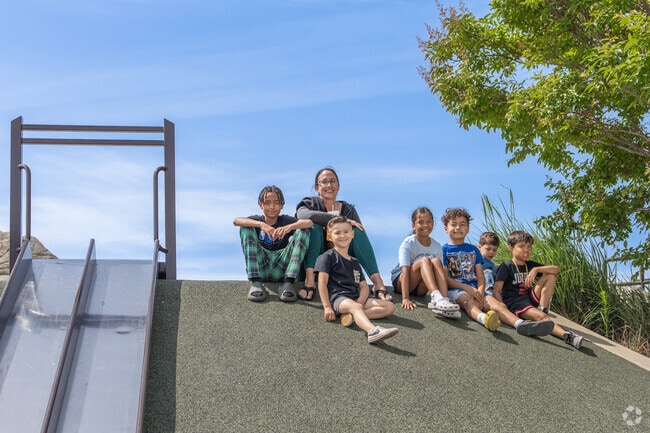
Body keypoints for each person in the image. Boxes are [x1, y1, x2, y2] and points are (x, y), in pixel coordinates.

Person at [441, 208, 554, 336]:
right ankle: (484, 319)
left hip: (477, 289)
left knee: (499, 306)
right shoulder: (444, 250)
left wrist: (480, 290)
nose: (458, 228)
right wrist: (467, 288)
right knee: (468, 301)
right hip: (457, 290)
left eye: (462, 224)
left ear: (468, 229)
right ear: (446, 228)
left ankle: (520, 324)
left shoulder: (473, 250)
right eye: (453, 224)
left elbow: (480, 276)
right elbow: (445, 278)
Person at [296, 167, 392, 302]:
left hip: (340, 264)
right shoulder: (310, 203)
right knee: (313, 226)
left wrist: (346, 223)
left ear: (338, 186)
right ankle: (310, 280)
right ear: (317, 187)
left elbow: (358, 237)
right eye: (324, 182)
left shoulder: (348, 210)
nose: (329, 185)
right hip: (316, 261)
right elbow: (303, 215)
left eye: (333, 181)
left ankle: (377, 282)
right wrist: (338, 221)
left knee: (357, 231)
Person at [494, 230, 585, 349]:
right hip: (515, 304)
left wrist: (536, 270)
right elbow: (497, 290)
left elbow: (556, 269)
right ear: (511, 248)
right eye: (521, 246)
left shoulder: (529, 265)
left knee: (550, 275)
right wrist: (503, 308)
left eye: (529, 247)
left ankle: (542, 309)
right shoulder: (506, 266)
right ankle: (568, 337)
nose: (526, 250)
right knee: (542, 318)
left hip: (528, 298)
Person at [315, 216, 398, 344]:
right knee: (355, 307)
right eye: (337, 233)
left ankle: (352, 317)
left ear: (352, 234)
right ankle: (372, 332)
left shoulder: (355, 262)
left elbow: (364, 286)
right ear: (330, 236)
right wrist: (327, 307)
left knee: (389, 307)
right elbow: (322, 283)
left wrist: (360, 301)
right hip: (339, 299)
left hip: (355, 298)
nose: (343, 235)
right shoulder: (327, 257)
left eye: (346, 231)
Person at [233, 185, 313, 302]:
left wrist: (289, 227)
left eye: (276, 203)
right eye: (267, 203)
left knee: (304, 230)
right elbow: (236, 220)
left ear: (282, 205)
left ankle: (288, 284)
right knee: (245, 228)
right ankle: (256, 283)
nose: (272, 207)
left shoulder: (285, 220)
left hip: (281, 267)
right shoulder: (257, 220)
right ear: (260, 204)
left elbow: (309, 223)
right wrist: (262, 225)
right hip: (261, 266)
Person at [390, 206, 460, 317]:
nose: (425, 225)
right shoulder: (408, 243)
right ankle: (436, 296)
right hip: (403, 282)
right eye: (421, 222)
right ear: (413, 225)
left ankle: (444, 301)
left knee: (436, 261)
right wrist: (405, 298)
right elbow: (404, 271)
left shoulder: (436, 246)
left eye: (429, 222)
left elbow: (441, 273)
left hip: (420, 289)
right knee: (425, 260)